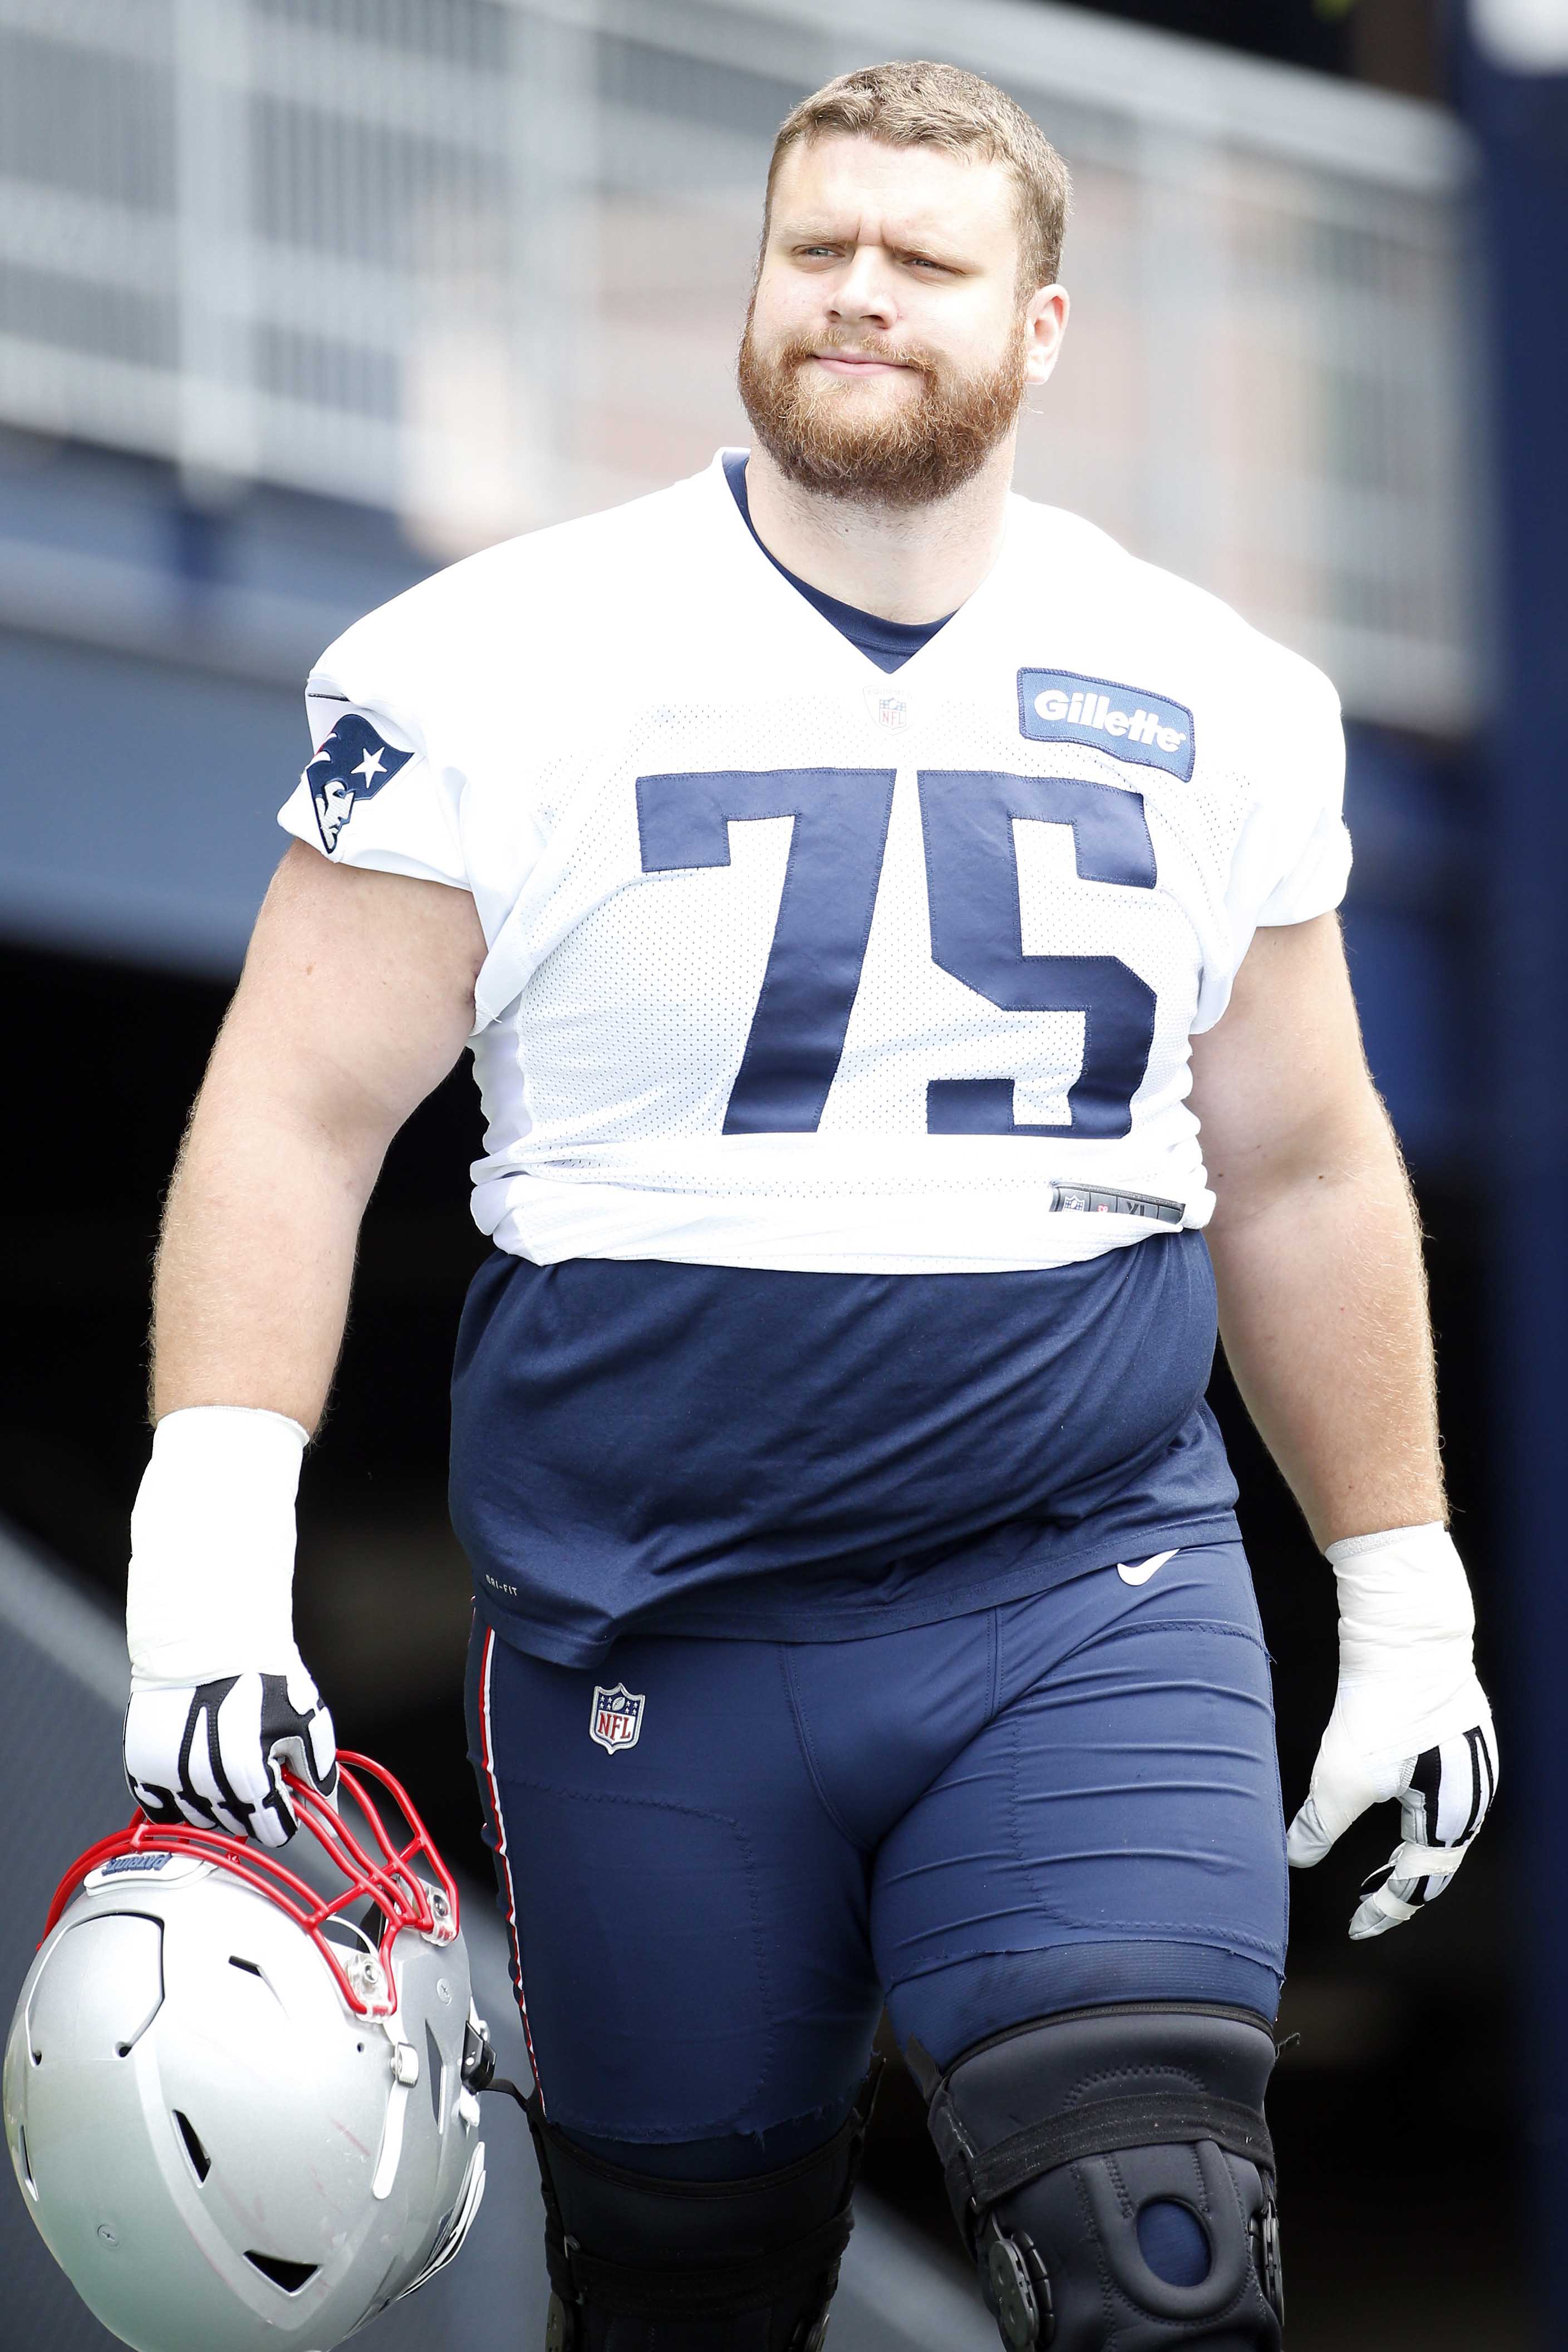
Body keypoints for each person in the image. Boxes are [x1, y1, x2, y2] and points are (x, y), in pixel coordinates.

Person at [120, 60, 1496, 2352]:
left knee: (1164, 2254)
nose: (858, 296)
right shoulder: (491, 658)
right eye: (816, 247)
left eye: (927, 261)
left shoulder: (1216, 689)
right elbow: (294, 1108)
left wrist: (1405, 1583)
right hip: (649, 1621)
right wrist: (207, 1541)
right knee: (682, 2293)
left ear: (1040, 329)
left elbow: (1300, 1154)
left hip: (1084, 1577)